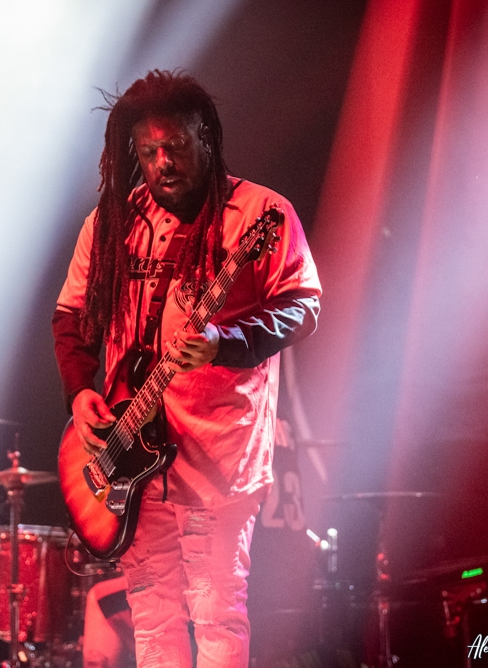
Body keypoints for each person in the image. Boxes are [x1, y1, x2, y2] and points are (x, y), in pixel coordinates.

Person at [52, 71, 321, 668]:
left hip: (218, 455)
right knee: (152, 621)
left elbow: (302, 307)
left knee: (216, 614)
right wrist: (79, 392)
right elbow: (69, 314)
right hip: (130, 455)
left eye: (174, 146)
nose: (163, 163)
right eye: (148, 151)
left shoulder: (260, 212)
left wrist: (226, 341)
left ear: (206, 137)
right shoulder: (112, 222)